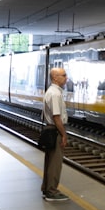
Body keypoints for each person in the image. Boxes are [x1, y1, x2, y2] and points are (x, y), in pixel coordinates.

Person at [41, 68, 69, 202]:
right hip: (54, 130)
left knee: (50, 161)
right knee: (55, 163)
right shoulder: (55, 94)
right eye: (63, 75)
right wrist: (63, 134)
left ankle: (46, 188)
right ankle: (52, 191)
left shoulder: (51, 91)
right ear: (55, 78)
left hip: (50, 129)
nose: (66, 78)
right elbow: (56, 117)